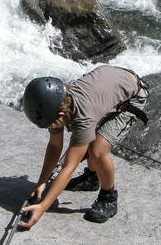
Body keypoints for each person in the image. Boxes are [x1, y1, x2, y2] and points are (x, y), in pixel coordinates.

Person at [19, 65, 149, 228]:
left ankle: (108, 197)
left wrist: (42, 207)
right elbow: (54, 145)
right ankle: (91, 179)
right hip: (111, 81)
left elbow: (69, 167)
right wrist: (42, 182)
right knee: (88, 142)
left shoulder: (83, 118)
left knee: (97, 151)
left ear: (59, 115)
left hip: (131, 97)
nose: (49, 129)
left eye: (49, 126)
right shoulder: (59, 102)